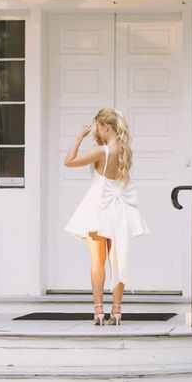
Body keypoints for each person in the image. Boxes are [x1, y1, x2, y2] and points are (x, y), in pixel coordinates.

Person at [63, 108, 149, 326]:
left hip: (98, 208)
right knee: (117, 258)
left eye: (98, 127)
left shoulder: (102, 151)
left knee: (97, 260)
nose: (97, 132)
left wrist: (79, 137)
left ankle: (99, 310)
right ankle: (117, 311)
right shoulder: (124, 150)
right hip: (118, 209)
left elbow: (69, 161)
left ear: (105, 126)